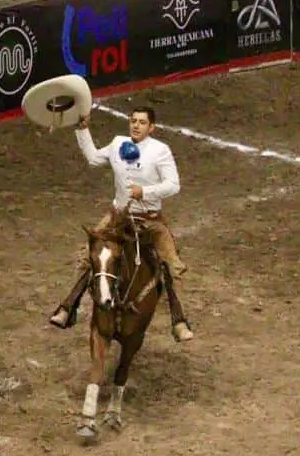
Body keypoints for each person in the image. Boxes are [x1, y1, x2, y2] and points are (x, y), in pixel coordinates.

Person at [49, 107, 194, 341]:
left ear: (151, 127)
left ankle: (179, 320)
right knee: (88, 256)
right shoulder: (118, 143)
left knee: (171, 265)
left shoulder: (160, 151)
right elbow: (94, 158)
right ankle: (68, 306)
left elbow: (173, 185)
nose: (136, 126)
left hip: (149, 219)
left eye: (142, 122)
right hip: (118, 216)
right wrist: (83, 129)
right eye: (133, 121)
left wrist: (144, 192)